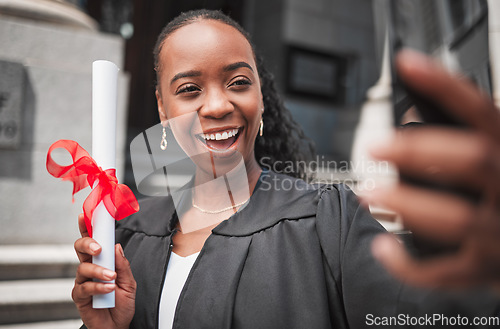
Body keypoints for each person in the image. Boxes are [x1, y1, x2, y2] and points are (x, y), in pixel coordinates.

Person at [71, 9, 500, 329]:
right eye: (189, 89)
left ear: (261, 98)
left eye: (239, 82)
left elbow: (432, 314)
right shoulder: (129, 235)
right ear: (164, 109)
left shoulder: (328, 222)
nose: (219, 105)